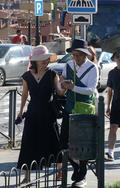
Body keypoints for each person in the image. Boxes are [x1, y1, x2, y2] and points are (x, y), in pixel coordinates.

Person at [16, 45, 64, 181]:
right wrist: (20, 112)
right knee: (29, 143)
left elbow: (59, 92)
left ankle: (59, 172)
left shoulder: (52, 74)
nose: (45, 61)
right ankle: (26, 177)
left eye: (46, 58)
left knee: (54, 141)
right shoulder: (27, 76)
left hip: (48, 113)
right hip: (32, 114)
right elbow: (24, 95)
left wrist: (64, 86)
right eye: (42, 59)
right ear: (35, 60)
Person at [59, 39, 99, 187]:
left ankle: (82, 176)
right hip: (69, 108)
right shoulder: (68, 65)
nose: (76, 58)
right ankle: (76, 166)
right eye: (74, 55)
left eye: (79, 55)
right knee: (64, 143)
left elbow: (90, 90)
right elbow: (62, 82)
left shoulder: (93, 68)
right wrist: (62, 84)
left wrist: (73, 87)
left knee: (83, 145)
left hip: (84, 109)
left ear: (85, 54)